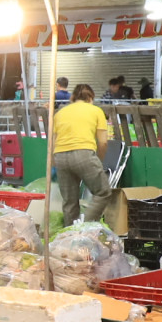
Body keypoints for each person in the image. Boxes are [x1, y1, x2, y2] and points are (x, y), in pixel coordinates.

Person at [51, 83, 113, 225]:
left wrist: (54, 163)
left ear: (72, 97)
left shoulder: (60, 113)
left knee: (69, 202)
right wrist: (99, 160)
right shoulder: (96, 111)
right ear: (91, 97)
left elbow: (53, 142)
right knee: (103, 192)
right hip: (84, 154)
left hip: (60, 156)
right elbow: (103, 142)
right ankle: (85, 227)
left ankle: (70, 238)